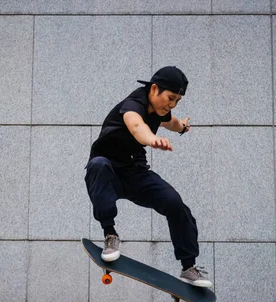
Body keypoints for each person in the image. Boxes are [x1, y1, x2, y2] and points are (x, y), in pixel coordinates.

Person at [84, 66, 212, 288]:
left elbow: (171, 122)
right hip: (108, 173)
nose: (172, 105)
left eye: (177, 101)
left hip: (135, 173)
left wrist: (182, 127)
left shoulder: (161, 111)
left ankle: (188, 266)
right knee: (98, 165)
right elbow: (136, 126)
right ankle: (110, 235)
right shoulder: (132, 106)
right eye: (170, 98)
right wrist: (152, 140)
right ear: (154, 89)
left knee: (175, 203)